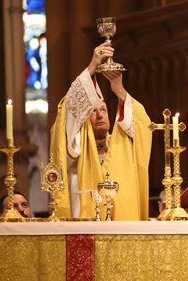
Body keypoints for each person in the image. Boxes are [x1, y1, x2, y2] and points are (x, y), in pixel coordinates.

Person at [50, 41, 152, 221]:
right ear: (82, 119)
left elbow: (143, 125)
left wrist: (118, 89)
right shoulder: (76, 147)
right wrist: (92, 67)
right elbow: (67, 111)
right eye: (92, 111)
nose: (99, 115)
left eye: (103, 110)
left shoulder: (124, 144)